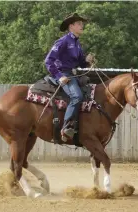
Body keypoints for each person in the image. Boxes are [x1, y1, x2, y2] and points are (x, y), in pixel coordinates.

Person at [44, 13, 95, 142]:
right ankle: (66, 127)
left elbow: (81, 63)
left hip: (72, 75)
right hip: (63, 74)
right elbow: (48, 61)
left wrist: (87, 61)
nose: (82, 26)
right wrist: (59, 76)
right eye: (79, 24)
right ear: (71, 26)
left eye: (82, 24)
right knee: (77, 96)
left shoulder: (77, 44)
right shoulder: (63, 41)